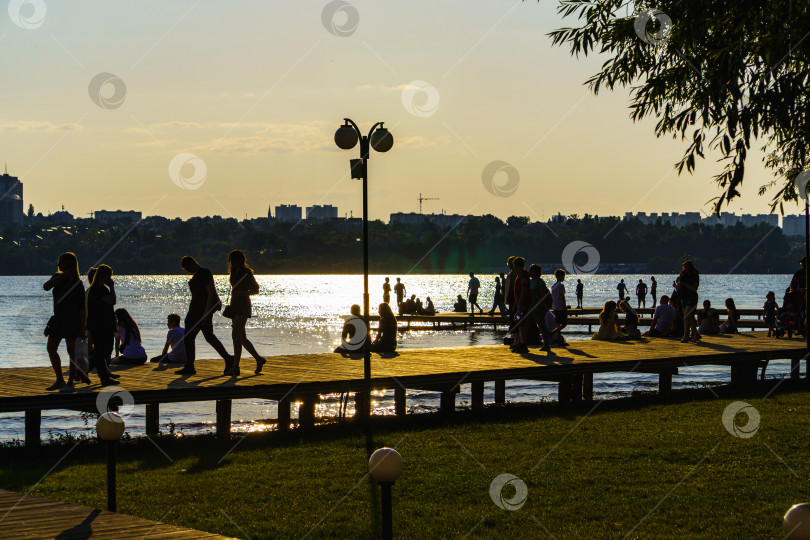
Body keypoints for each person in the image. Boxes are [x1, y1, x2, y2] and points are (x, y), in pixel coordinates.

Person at [176, 256, 232, 376]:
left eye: (187, 268)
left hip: (200, 311)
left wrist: (206, 312)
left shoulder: (205, 273)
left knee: (190, 337)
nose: (187, 271)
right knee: (207, 336)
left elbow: (211, 292)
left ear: (192, 263)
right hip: (196, 309)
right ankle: (228, 359)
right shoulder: (197, 275)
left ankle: (190, 366)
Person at [43, 252, 87, 391]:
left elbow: (81, 308)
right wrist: (62, 275)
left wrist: (82, 327)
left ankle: (70, 382)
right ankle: (59, 380)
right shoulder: (57, 277)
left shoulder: (78, 283)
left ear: (69, 264)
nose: (58, 264)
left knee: (71, 351)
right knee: (51, 348)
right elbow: (46, 286)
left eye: (61, 262)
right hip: (58, 319)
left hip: (72, 320)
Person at [225, 249, 266, 376]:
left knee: (236, 335)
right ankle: (259, 359)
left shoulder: (246, 272)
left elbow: (256, 289)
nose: (231, 263)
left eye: (233, 260)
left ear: (239, 260)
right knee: (241, 337)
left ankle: (236, 367)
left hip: (243, 304)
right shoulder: (233, 271)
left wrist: (242, 293)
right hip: (234, 304)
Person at [85, 264, 118, 386]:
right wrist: (112, 287)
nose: (110, 279)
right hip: (103, 325)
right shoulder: (101, 289)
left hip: (94, 324)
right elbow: (112, 301)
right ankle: (86, 370)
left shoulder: (92, 289)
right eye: (109, 276)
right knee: (105, 351)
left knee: (100, 351)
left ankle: (101, 376)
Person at [529, 264, 553, 351]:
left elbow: (543, 295)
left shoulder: (540, 282)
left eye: (531, 270)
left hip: (539, 307)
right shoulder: (530, 281)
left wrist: (539, 305)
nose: (529, 272)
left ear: (535, 271)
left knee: (542, 325)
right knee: (530, 324)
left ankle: (546, 344)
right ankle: (533, 340)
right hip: (531, 307)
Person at [677, 259, 701, 343]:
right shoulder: (682, 275)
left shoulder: (695, 276)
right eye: (684, 267)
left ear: (690, 267)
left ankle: (686, 336)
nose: (685, 269)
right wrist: (678, 286)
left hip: (692, 298)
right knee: (688, 317)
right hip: (683, 297)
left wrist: (684, 284)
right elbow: (679, 287)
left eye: (686, 267)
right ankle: (696, 334)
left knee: (686, 316)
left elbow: (694, 288)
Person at [511, 257, 531, 353]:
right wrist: (516, 304)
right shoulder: (519, 275)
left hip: (523, 304)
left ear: (517, 265)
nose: (513, 267)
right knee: (519, 322)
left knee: (522, 323)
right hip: (519, 303)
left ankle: (523, 343)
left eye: (514, 265)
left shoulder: (523, 275)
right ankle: (521, 342)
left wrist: (520, 304)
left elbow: (524, 291)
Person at [550, 269, 568, 344]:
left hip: (555, 306)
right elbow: (562, 296)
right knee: (564, 324)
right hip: (560, 307)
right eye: (563, 276)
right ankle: (552, 333)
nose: (564, 278)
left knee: (558, 323)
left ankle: (559, 338)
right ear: (559, 276)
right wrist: (565, 306)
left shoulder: (553, 286)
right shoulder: (561, 285)